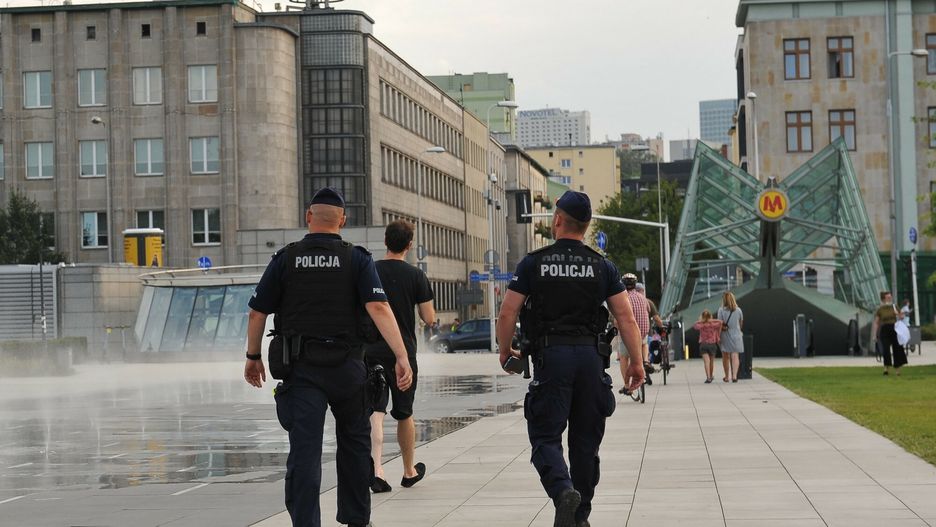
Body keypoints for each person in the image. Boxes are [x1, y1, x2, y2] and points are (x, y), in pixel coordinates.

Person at [244, 188, 413, 527]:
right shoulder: (357, 259)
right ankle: (355, 519)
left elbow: (257, 314)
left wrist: (253, 356)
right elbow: (378, 307)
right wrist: (401, 355)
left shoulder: (286, 259)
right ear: (343, 220)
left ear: (309, 217)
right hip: (348, 368)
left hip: (302, 370)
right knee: (353, 445)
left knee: (305, 451)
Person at [495, 190, 644, 527]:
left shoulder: (534, 262)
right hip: (592, 360)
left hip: (552, 359)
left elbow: (508, 312)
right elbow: (626, 318)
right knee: (585, 446)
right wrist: (636, 362)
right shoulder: (602, 264)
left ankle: (563, 492)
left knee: (545, 437)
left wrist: (506, 351)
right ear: (587, 226)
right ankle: (580, 516)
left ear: (558, 220)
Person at [365, 220, 436, 493]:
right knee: (404, 413)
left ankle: (377, 470)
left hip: (371, 350)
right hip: (403, 353)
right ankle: (408, 471)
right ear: (409, 245)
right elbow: (429, 318)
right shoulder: (416, 276)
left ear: (385, 241)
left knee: (375, 411)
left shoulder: (369, 271)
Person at [619, 273, 650, 393]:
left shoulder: (623, 297)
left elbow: (620, 318)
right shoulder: (642, 297)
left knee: (623, 357)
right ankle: (646, 360)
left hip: (631, 334)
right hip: (643, 332)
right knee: (644, 342)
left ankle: (627, 386)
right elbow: (648, 311)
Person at [873, 291, 908, 376]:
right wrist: (874, 335)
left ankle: (897, 369)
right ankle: (886, 368)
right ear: (884, 299)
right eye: (888, 297)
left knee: (897, 349)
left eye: (890, 297)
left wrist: (898, 314)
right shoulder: (880, 309)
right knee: (886, 350)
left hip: (895, 328)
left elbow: (902, 317)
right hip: (885, 329)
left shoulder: (894, 306)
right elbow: (876, 322)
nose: (890, 298)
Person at [717, 292, 744, 382]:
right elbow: (740, 324)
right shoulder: (739, 310)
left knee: (725, 356)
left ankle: (727, 376)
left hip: (725, 334)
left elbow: (719, 324)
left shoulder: (721, 310)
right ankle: (735, 376)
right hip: (736, 334)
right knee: (735, 355)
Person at [693, 310, 722, 383]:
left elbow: (695, 325)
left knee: (706, 362)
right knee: (711, 362)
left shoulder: (701, 325)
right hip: (712, 345)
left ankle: (708, 377)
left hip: (703, 345)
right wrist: (712, 320)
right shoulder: (713, 324)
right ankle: (711, 375)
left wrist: (701, 320)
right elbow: (720, 322)